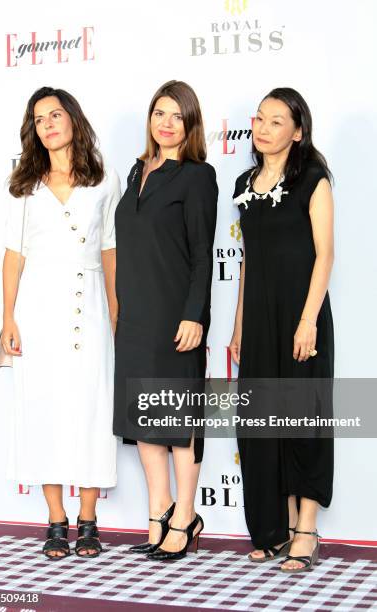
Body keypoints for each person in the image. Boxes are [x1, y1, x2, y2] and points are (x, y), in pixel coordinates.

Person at [1, 86, 120, 560]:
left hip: (88, 302)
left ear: (73, 119)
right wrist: (7, 317)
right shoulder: (23, 185)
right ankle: (55, 519)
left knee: (92, 406)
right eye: (39, 119)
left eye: (55, 114)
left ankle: (88, 519)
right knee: (44, 407)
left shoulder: (104, 179)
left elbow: (110, 249)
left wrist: (115, 309)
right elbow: (13, 255)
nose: (48, 124)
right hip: (38, 305)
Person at [229, 87, 334, 573]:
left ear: (298, 131)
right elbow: (247, 262)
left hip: (300, 315)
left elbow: (325, 254)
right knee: (260, 426)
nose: (264, 128)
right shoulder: (244, 183)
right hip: (259, 321)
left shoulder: (314, 179)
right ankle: (277, 528)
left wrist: (309, 319)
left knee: (302, 421)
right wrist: (238, 328)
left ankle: (306, 530)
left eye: (276, 121)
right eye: (260, 119)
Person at [113, 80, 218, 561]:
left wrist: (195, 316)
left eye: (178, 115)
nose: (167, 123)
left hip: (177, 316)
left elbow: (202, 257)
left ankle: (186, 516)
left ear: (191, 123)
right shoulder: (135, 172)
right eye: (160, 112)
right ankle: (159, 512)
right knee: (147, 422)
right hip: (136, 316)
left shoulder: (198, 176)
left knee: (178, 421)